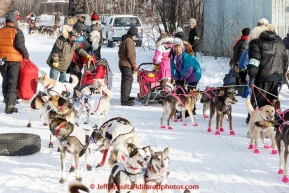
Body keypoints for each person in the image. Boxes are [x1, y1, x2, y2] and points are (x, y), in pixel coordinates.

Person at [247, 18, 288, 123]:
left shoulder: (255, 41)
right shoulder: (279, 40)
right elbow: (285, 58)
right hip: (276, 76)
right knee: (272, 100)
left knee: (259, 100)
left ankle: (255, 121)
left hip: (262, 76)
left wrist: (252, 76)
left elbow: (254, 60)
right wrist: (283, 74)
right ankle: (274, 120)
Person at [0, 12, 29, 114]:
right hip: (14, 60)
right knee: (12, 83)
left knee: (5, 81)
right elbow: (20, 45)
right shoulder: (17, 31)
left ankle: (7, 99)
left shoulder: (0, 31)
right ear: (14, 21)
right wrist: (25, 54)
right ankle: (10, 106)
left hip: (2, 61)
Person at [169, 38, 202, 115]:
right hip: (184, 74)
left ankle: (191, 109)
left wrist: (182, 79)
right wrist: (177, 79)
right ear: (173, 48)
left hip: (194, 74)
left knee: (190, 92)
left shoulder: (187, 56)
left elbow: (188, 69)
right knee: (180, 90)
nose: (177, 49)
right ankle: (181, 107)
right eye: (176, 47)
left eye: (179, 47)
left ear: (182, 47)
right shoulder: (173, 57)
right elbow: (173, 69)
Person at [118, 26, 138, 106]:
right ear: (134, 34)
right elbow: (130, 54)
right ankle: (124, 99)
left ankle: (125, 96)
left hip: (123, 63)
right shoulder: (129, 41)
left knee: (126, 80)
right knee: (127, 80)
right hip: (126, 64)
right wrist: (133, 64)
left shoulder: (125, 40)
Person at [232, 28, 250, 95]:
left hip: (239, 63)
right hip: (238, 62)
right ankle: (239, 90)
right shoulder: (243, 41)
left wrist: (238, 63)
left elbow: (242, 53)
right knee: (239, 77)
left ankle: (240, 91)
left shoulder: (244, 41)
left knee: (240, 77)